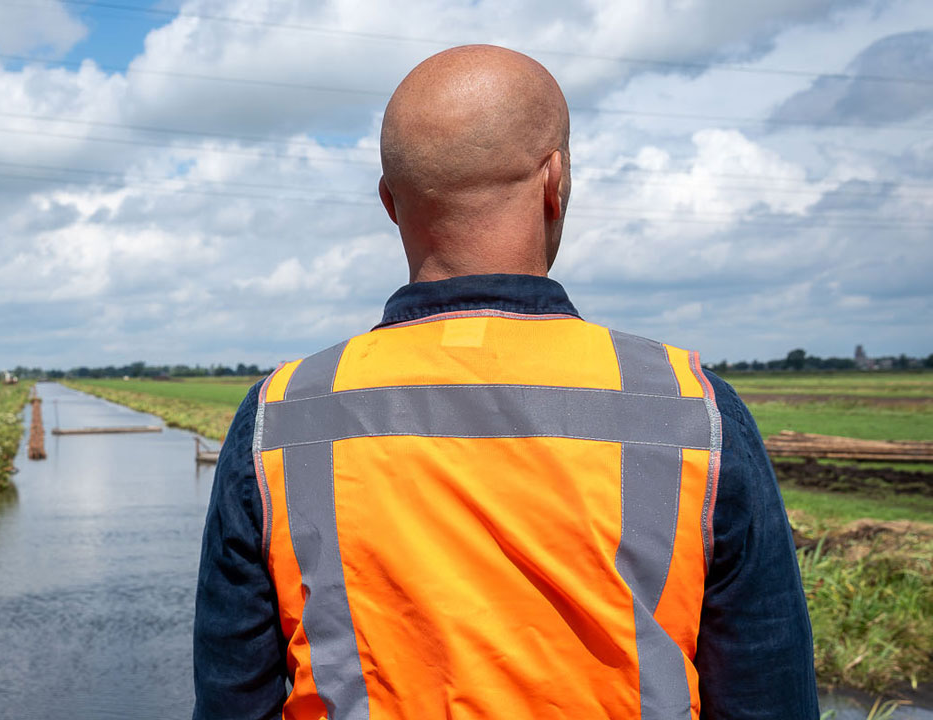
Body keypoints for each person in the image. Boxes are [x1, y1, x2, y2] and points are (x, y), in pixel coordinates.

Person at [193, 45, 816, 720]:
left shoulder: (280, 419)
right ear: (555, 180)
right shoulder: (695, 411)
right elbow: (769, 699)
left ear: (389, 202)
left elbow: (233, 702)